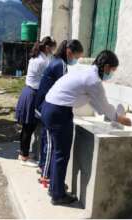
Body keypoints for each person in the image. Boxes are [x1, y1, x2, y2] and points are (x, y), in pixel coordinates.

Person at [41, 50, 132, 205]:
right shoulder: (93, 80)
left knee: (58, 152)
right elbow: (104, 106)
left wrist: (106, 113)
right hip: (59, 112)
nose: (111, 74)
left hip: (50, 107)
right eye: (112, 70)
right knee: (61, 155)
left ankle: (55, 187)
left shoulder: (86, 72)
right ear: (107, 66)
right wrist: (120, 119)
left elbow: (94, 102)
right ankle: (58, 195)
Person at [34, 39, 84, 186]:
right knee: (50, 144)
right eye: (76, 57)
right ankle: (45, 176)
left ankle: (43, 168)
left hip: (43, 105)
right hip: (48, 105)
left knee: (46, 140)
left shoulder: (54, 60)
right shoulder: (60, 65)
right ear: (69, 52)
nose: (75, 60)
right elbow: (62, 89)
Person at [15, 36, 56, 167]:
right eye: (52, 47)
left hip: (29, 92)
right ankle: (24, 157)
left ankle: (23, 152)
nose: (53, 50)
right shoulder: (43, 61)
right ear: (47, 47)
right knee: (29, 127)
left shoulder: (37, 57)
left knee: (27, 127)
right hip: (33, 94)